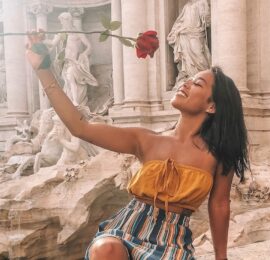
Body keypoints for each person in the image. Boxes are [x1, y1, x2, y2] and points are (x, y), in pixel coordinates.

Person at [26, 31, 249, 260]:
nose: (185, 83)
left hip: (174, 245)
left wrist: (221, 257)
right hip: (125, 231)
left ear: (211, 106)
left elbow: (219, 205)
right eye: (189, 79)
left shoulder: (219, 155)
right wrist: (43, 69)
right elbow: (80, 127)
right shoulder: (146, 140)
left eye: (197, 84)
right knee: (106, 249)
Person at [46, 12, 98, 106]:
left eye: (62, 21)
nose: (61, 23)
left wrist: (83, 55)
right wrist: (42, 41)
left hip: (74, 62)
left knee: (70, 77)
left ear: (68, 20)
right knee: (68, 83)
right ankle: (71, 101)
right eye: (61, 21)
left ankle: (75, 101)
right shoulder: (61, 33)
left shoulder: (78, 33)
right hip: (64, 62)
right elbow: (53, 44)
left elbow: (89, 46)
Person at [168, 0, 211, 89]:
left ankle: (202, 76)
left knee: (198, 54)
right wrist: (175, 31)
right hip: (184, 33)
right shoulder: (186, 6)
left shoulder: (202, 2)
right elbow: (180, 20)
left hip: (197, 33)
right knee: (186, 57)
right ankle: (189, 76)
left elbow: (207, 19)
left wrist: (206, 17)